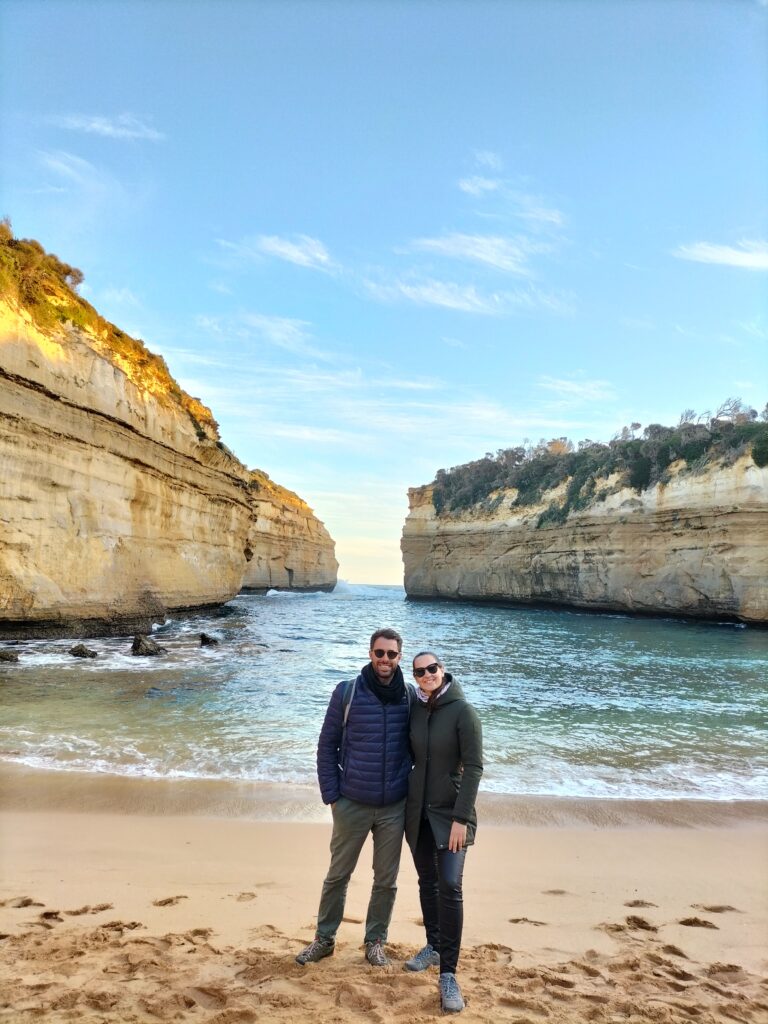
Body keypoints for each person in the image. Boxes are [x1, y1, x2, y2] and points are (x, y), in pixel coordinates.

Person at [295, 627, 414, 968]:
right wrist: (333, 796)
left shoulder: (409, 696)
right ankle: (324, 938)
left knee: (386, 880)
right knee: (337, 875)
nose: (385, 660)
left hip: (394, 806)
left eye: (392, 654)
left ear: (399, 657)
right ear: (370, 653)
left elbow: (427, 741)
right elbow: (326, 746)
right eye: (380, 653)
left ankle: (375, 941)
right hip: (351, 803)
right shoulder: (347, 692)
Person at [403, 651, 483, 1014]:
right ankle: (433, 947)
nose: (426, 675)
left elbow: (475, 768)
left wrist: (461, 819)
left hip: (451, 816)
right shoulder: (415, 708)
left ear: (443, 669)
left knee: (450, 885)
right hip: (417, 812)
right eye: (419, 672)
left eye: (432, 669)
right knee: (427, 881)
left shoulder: (463, 711)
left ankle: (449, 973)